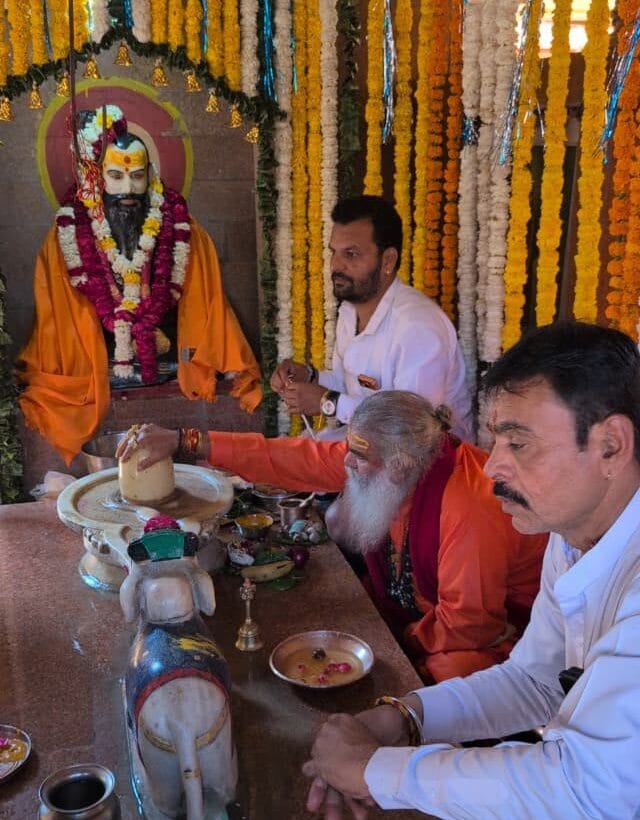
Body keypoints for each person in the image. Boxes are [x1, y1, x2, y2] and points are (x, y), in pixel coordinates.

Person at [303, 321, 640, 820]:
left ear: (611, 445)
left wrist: (373, 771)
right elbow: (536, 681)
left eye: (518, 444)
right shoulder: (571, 535)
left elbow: (591, 789)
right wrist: (406, 717)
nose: (491, 467)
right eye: (496, 441)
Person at [118, 390, 545, 684]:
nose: (347, 465)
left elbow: (469, 625)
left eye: (357, 457)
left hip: (500, 633)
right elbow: (294, 458)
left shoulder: (469, 507)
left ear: (399, 466)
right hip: (418, 608)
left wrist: (395, 641)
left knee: (451, 673)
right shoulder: (402, 459)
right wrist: (188, 441)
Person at [16, 104, 262, 465]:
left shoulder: (181, 227)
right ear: (98, 178)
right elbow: (58, 320)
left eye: (137, 176)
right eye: (116, 176)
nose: (128, 189)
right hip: (99, 356)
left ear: (151, 175)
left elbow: (203, 302)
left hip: (166, 351)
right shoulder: (66, 234)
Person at [270, 195, 472, 441]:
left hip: (427, 457)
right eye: (334, 252)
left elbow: (413, 426)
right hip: (364, 446)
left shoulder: (417, 326)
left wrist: (328, 402)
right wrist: (310, 377)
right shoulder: (350, 311)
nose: (336, 265)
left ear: (388, 260)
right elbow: (351, 384)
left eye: (351, 254)